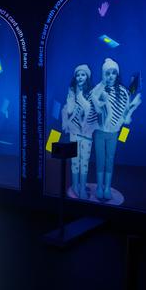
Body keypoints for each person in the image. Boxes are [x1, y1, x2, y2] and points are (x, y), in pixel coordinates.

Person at [90, 58, 142, 200]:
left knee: (110, 159)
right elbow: (92, 102)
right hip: (100, 131)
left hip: (113, 132)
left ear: (117, 74)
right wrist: (102, 88)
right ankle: (100, 187)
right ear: (103, 74)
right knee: (100, 159)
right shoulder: (99, 88)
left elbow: (125, 113)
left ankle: (107, 187)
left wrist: (132, 108)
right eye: (107, 73)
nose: (111, 76)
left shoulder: (124, 92)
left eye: (114, 73)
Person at [61, 64, 94, 199]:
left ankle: (81, 186)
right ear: (75, 77)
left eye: (83, 74)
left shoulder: (92, 92)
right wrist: (72, 99)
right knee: (75, 160)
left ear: (87, 77)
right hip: (74, 131)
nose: (80, 77)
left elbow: (92, 112)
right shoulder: (71, 91)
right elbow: (68, 111)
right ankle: (75, 186)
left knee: (84, 161)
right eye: (78, 75)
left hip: (86, 133)